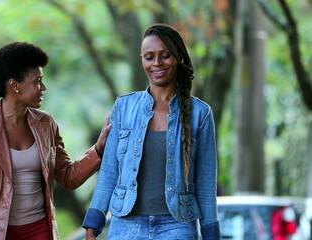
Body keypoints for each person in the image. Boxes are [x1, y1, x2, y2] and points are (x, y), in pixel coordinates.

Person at [0, 41, 111, 240]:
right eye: (37, 81)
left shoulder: (45, 124)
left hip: (39, 230)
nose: (43, 87)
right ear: (14, 85)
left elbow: (68, 177)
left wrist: (98, 150)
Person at [82, 23, 221, 239]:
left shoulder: (200, 114)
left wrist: (211, 234)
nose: (157, 63)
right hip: (125, 225)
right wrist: (92, 226)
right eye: (149, 57)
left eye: (165, 55)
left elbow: (205, 181)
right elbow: (109, 172)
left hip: (177, 225)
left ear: (178, 58)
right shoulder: (123, 107)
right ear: (142, 60)